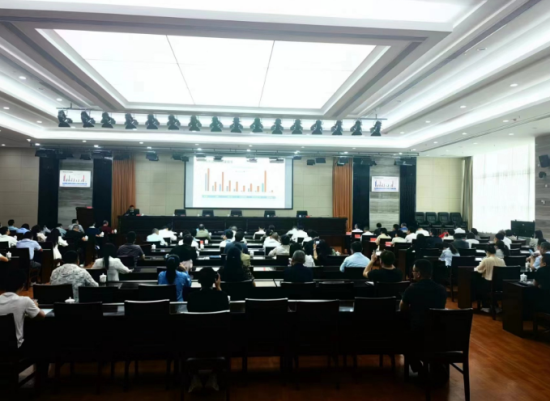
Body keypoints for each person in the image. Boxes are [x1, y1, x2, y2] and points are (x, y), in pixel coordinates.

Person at [0, 268, 45, 348]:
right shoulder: (25, 301)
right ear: (22, 286)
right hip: (15, 348)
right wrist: (35, 306)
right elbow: (42, 316)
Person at [400, 259, 447, 330]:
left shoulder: (411, 289)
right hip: (436, 328)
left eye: (413, 271)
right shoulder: (442, 289)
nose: (412, 273)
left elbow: (402, 307)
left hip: (417, 328)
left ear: (418, 274)